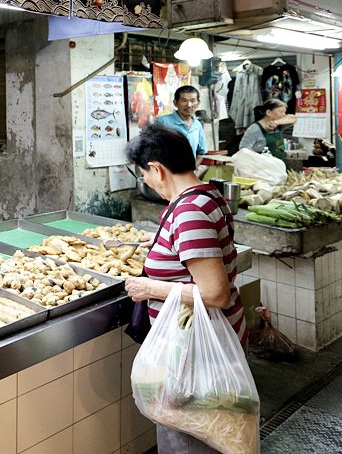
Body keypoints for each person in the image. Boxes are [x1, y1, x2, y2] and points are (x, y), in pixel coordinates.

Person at [123, 123, 247, 453]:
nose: (146, 182)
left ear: (157, 169)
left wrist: (150, 288)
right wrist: (161, 242)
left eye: (144, 175)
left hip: (194, 359)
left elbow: (215, 294)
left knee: (191, 443)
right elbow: (200, 251)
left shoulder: (189, 212)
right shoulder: (207, 196)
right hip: (205, 347)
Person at [155, 85, 207, 166]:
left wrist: (193, 169)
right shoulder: (163, 122)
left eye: (193, 101)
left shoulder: (197, 125)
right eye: (184, 101)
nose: (189, 105)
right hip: (167, 175)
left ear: (198, 103)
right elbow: (150, 150)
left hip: (187, 176)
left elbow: (202, 152)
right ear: (175, 103)